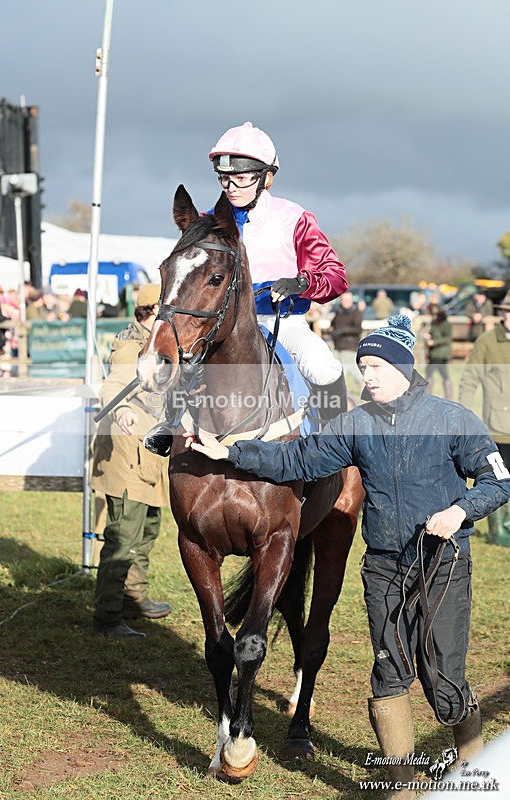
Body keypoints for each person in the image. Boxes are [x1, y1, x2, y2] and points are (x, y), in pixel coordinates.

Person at [185, 314, 510, 799]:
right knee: (388, 671)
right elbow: (296, 460)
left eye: (376, 366)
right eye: (362, 367)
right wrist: (232, 452)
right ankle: (399, 787)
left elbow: (499, 481)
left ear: (403, 367)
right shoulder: (356, 424)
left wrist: (460, 511)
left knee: (442, 676)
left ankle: (473, 768)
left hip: (442, 565)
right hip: (383, 567)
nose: (367, 376)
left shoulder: (452, 419)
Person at [144, 121, 350, 456]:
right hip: (220, 325)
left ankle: (338, 444)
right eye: (225, 178)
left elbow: (336, 274)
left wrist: (301, 283)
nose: (231, 186)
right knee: (186, 363)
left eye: (241, 177)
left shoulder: (293, 217)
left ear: (266, 177)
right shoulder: (208, 221)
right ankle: (170, 423)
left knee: (323, 364)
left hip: (280, 323)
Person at [91, 283, 171, 638]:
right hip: (127, 457)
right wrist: (121, 407)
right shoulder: (129, 348)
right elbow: (113, 385)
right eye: (165, 312)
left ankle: (133, 598)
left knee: (148, 527)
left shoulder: (160, 344)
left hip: (150, 456)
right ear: (149, 313)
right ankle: (107, 616)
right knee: (124, 535)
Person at [459, 289, 510, 546]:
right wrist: (465, 416)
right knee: (498, 475)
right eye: (508, 312)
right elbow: (469, 379)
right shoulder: (488, 341)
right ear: (502, 314)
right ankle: (498, 531)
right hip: (498, 424)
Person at [329, 291, 364, 393]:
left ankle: (337, 391)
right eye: (343, 300)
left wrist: (342, 331)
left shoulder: (356, 313)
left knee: (345, 371)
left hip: (350, 346)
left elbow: (358, 329)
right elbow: (333, 325)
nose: (345, 302)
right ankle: (363, 390)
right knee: (353, 371)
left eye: (348, 300)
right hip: (338, 346)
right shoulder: (338, 312)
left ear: (352, 301)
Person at [423, 303, 453, 399]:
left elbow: (448, 338)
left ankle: (428, 397)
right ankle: (447, 397)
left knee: (430, 373)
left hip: (441, 353)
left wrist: (434, 342)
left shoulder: (446, 324)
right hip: (434, 353)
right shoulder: (433, 323)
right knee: (440, 374)